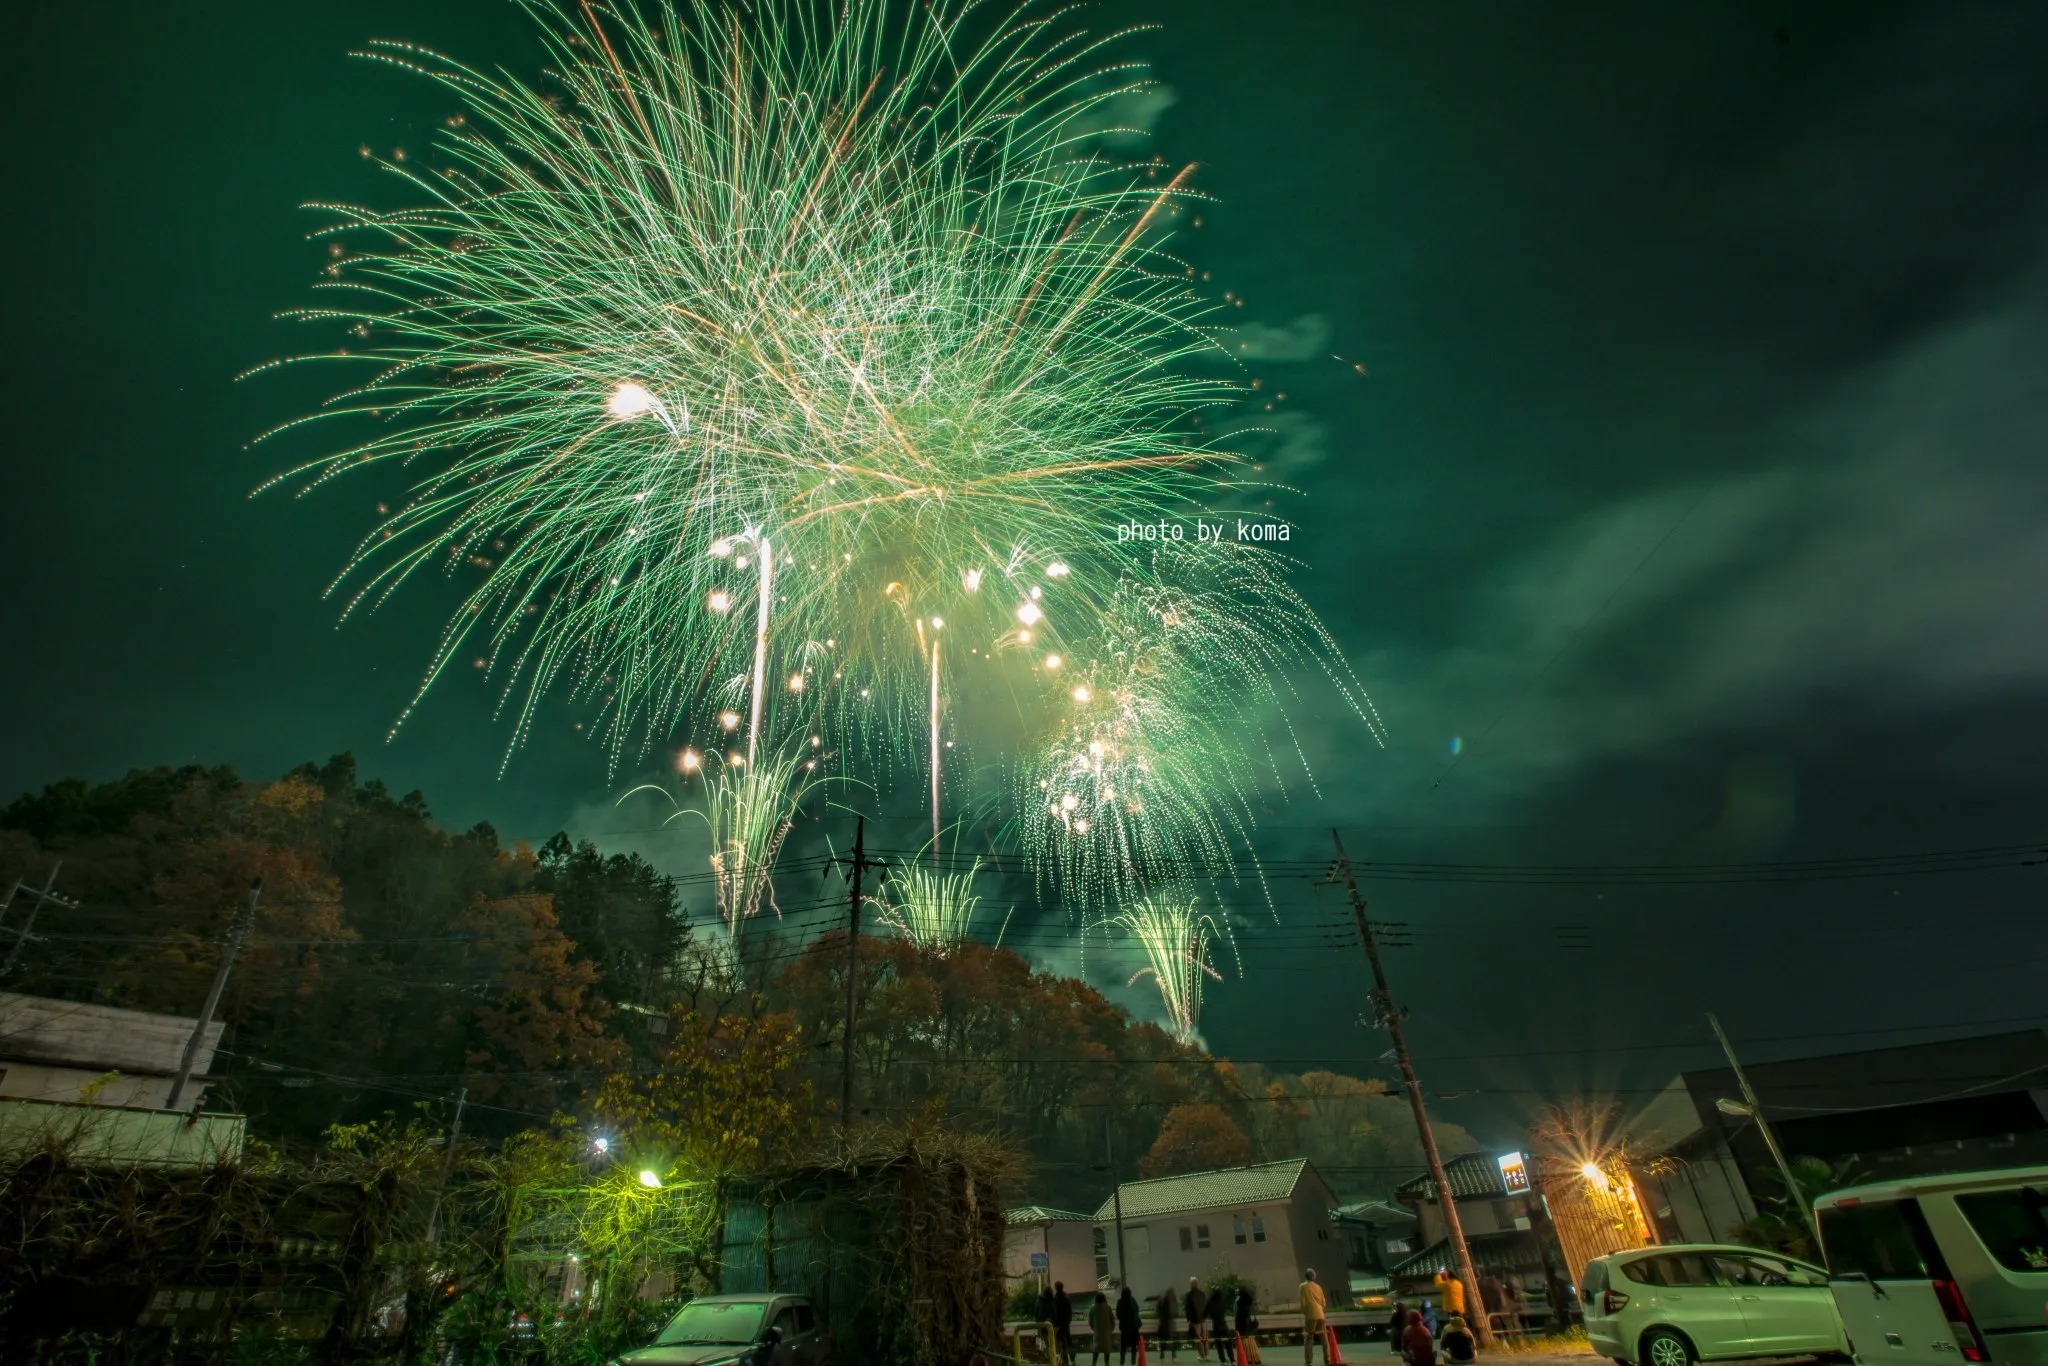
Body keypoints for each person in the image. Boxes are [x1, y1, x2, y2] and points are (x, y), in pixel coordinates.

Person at [1299, 1268, 1328, 1366]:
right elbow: (1323, 1302)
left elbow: (1302, 1303)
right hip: (1320, 1314)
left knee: (1309, 1338)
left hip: (1310, 1315)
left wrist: (1305, 1312)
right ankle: (1327, 1359)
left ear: (1306, 1276)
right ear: (1313, 1276)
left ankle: (1308, 1361)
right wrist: (1320, 1309)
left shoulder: (1303, 1287)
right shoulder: (1318, 1287)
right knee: (1324, 1338)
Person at [1118, 1286, 1143, 1366]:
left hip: (1124, 1328)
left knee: (1123, 1347)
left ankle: (1122, 1363)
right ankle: (1133, 1363)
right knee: (1133, 1347)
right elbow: (1137, 1311)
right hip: (1133, 1328)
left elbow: (1118, 1315)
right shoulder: (1133, 1301)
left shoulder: (1120, 1302)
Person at [1091, 1293, 1118, 1366]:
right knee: (1107, 1348)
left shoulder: (1093, 1308)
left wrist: (1095, 1329)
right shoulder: (1108, 1308)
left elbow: (1090, 1321)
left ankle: (1094, 1363)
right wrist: (1110, 1330)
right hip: (1107, 1332)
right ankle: (1107, 1363)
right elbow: (1112, 1320)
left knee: (1096, 1349)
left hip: (1097, 1332)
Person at [1187, 1279, 1210, 1361]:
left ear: (1191, 1284)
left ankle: (1202, 1356)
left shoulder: (1189, 1295)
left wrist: (1188, 1319)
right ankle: (1207, 1356)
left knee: (1198, 1338)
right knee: (1205, 1338)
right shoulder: (1202, 1294)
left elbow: (1188, 1308)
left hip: (1195, 1320)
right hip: (1203, 1319)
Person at [1235, 1286, 1258, 1362]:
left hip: (1241, 1323)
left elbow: (1236, 1311)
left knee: (1243, 1340)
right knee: (1250, 1340)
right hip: (1248, 1323)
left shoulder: (1239, 1302)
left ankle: (1247, 1358)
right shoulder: (1249, 1301)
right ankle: (1254, 1358)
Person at [1055, 1282, 1076, 1362]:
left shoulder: (1055, 1298)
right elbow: (1069, 1311)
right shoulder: (1066, 1298)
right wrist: (1069, 1320)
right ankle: (1072, 1357)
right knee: (1068, 1339)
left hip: (1059, 1323)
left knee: (1061, 1341)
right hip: (1066, 1322)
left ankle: (1065, 1358)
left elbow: (1055, 1311)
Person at [1207, 1280, 1230, 1351]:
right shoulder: (1221, 1303)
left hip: (1216, 1325)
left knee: (1218, 1342)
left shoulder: (1211, 1304)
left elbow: (1208, 1314)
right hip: (1223, 1324)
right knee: (1227, 1342)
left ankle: (1222, 1357)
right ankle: (1231, 1356)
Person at [1159, 1287, 1179, 1360]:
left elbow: (1159, 1312)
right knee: (1172, 1341)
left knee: (1163, 1341)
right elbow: (1175, 1312)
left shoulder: (1162, 1301)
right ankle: (1173, 1356)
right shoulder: (1173, 1301)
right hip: (1170, 1324)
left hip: (1164, 1324)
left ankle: (1162, 1355)